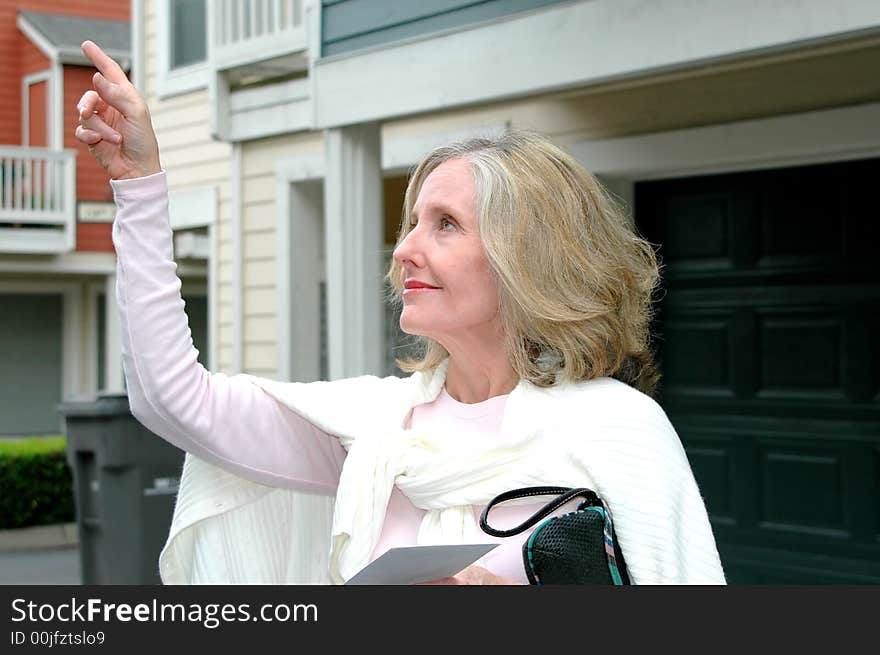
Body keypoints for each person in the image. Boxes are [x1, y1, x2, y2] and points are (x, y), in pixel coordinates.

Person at [75, 40, 726, 585]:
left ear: (526, 257)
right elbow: (172, 399)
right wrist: (139, 186)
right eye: (413, 223)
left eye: (446, 225)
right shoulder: (372, 433)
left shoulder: (618, 430)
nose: (407, 249)